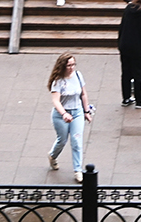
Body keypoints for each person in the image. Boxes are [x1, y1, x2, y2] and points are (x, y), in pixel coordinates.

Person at [46, 53, 93, 183]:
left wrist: (86, 111)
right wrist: (64, 114)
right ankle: (52, 156)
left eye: (73, 64)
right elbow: (56, 101)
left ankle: (78, 170)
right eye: (68, 65)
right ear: (63, 66)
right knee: (62, 140)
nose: (71, 68)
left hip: (77, 111)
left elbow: (83, 94)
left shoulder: (78, 75)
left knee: (76, 140)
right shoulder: (58, 81)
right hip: (61, 114)